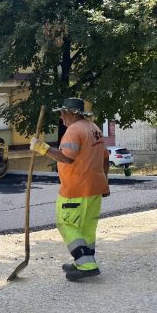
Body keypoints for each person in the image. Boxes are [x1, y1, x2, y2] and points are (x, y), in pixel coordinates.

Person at [29, 98, 110, 282]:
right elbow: (105, 158)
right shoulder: (94, 128)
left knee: (65, 223)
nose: (61, 117)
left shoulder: (73, 131)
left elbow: (67, 158)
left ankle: (87, 266)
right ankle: (83, 261)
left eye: (62, 113)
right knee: (86, 228)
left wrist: (42, 147)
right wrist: (105, 181)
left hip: (76, 189)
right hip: (95, 188)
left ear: (71, 113)